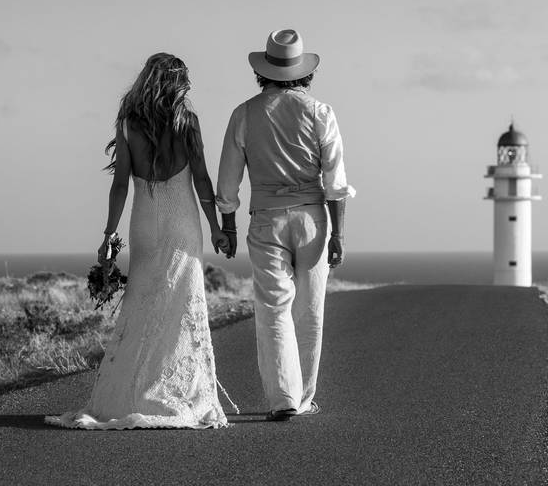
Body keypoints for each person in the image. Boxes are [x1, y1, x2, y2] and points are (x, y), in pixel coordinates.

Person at [45, 53, 231, 430]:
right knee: (180, 304)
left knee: (142, 302)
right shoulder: (186, 122)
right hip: (182, 222)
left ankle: (130, 392)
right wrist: (216, 226)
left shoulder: (129, 124)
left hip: (144, 222)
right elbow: (202, 181)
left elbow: (119, 186)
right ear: (178, 84)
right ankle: (176, 390)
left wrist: (109, 238)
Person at [216, 29, 355, 422]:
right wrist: (339, 234)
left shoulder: (244, 113)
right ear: (303, 73)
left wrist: (227, 226)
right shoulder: (320, 112)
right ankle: (305, 397)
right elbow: (336, 181)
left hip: (266, 219)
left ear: (264, 71)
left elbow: (228, 180)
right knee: (310, 310)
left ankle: (283, 399)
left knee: (273, 308)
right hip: (313, 218)